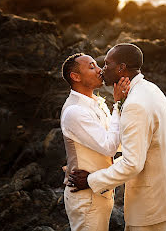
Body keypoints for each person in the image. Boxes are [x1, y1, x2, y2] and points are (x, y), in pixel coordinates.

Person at [68, 44, 166, 231]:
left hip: (151, 201)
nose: (103, 69)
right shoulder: (150, 89)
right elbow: (137, 140)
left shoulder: (135, 104)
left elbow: (132, 164)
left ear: (121, 68)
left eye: (107, 64)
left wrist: (90, 180)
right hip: (163, 193)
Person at [60, 53, 130, 231]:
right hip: (85, 198)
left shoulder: (96, 102)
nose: (100, 70)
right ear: (75, 77)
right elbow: (109, 147)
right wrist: (118, 104)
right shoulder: (75, 111)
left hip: (99, 191)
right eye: (92, 67)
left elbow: (117, 141)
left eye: (97, 65)